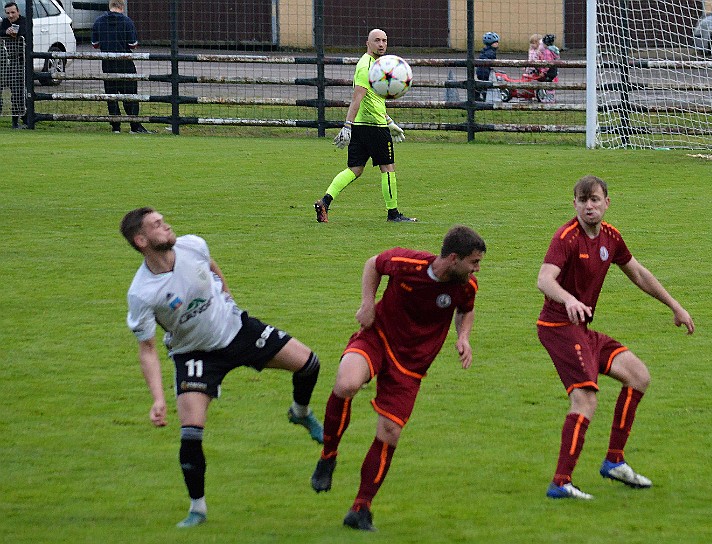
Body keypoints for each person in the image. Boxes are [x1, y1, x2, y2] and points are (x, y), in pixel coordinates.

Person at [120, 207, 324, 528]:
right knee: (190, 434)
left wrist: (228, 298)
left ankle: (299, 412)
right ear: (141, 240)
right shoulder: (142, 293)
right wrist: (158, 399)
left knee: (309, 364)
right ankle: (197, 508)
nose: (167, 225)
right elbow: (146, 350)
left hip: (237, 331)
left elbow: (212, 267)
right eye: (157, 225)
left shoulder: (192, 245)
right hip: (195, 354)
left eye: (164, 220)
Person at [310, 226, 486, 531]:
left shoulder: (466, 285)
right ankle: (328, 455)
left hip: (411, 364)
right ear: (454, 258)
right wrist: (368, 302)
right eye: (474, 262)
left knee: (390, 431)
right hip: (377, 338)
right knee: (347, 383)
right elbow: (373, 263)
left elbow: (465, 311)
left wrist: (464, 337)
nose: (477, 269)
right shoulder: (409, 264)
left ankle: (360, 509)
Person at [536, 175, 695, 500]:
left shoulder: (611, 237)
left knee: (638, 376)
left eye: (594, 199)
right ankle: (561, 483)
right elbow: (544, 279)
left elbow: (637, 272)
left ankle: (614, 461)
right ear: (575, 204)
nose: (589, 206)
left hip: (581, 330)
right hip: (557, 328)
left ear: (607, 202)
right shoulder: (566, 237)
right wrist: (569, 300)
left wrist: (674, 305)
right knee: (585, 399)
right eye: (582, 200)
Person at [313, 28, 415, 224]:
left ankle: (325, 202)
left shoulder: (376, 65)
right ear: (367, 43)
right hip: (372, 127)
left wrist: (389, 121)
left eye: (384, 40)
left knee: (355, 169)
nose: (381, 44)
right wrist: (347, 125)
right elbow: (357, 97)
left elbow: (373, 99)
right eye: (377, 40)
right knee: (388, 168)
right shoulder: (366, 66)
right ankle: (393, 214)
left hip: (366, 124)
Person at [91, 0, 149, 134]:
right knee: (130, 95)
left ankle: (116, 126)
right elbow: (133, 44)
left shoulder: (99, 21)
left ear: (110, 5)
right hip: (125, 62)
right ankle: (135, 126)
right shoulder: (127, 21)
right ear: (121, 6)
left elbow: (95, 44)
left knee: (111, 96)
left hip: (107, 63)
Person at [0, 2, 27, 128]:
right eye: (8, 13)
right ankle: (15, 121)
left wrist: (14, 32)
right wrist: (6, 32)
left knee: (20, 91)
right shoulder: (5, 22)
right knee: (12, 90)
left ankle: (23, 118)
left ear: (18, 12)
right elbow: (2, 31)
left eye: (13, 12)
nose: (10, 15)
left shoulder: (24, 21)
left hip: (23, 60)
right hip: (9, 61)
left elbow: (22, 30)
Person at [475, 31, 499, 102]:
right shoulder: (491, 52)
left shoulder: (485, 50)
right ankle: (485, 97)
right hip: (484, 71)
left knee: (481, 84)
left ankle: (476, 95)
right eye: (495, 42)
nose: (497, 44)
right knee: (485, 84)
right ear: (490, 44)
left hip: (480, 70)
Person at [536, 34, 560, 102]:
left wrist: (543, 72)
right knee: (550, 84)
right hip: (554, 69)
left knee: (548, 84)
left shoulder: (547, 52)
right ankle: (550, 97)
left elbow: (547, 63)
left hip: (549, 71)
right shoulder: (554, 49)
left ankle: (550, 98)